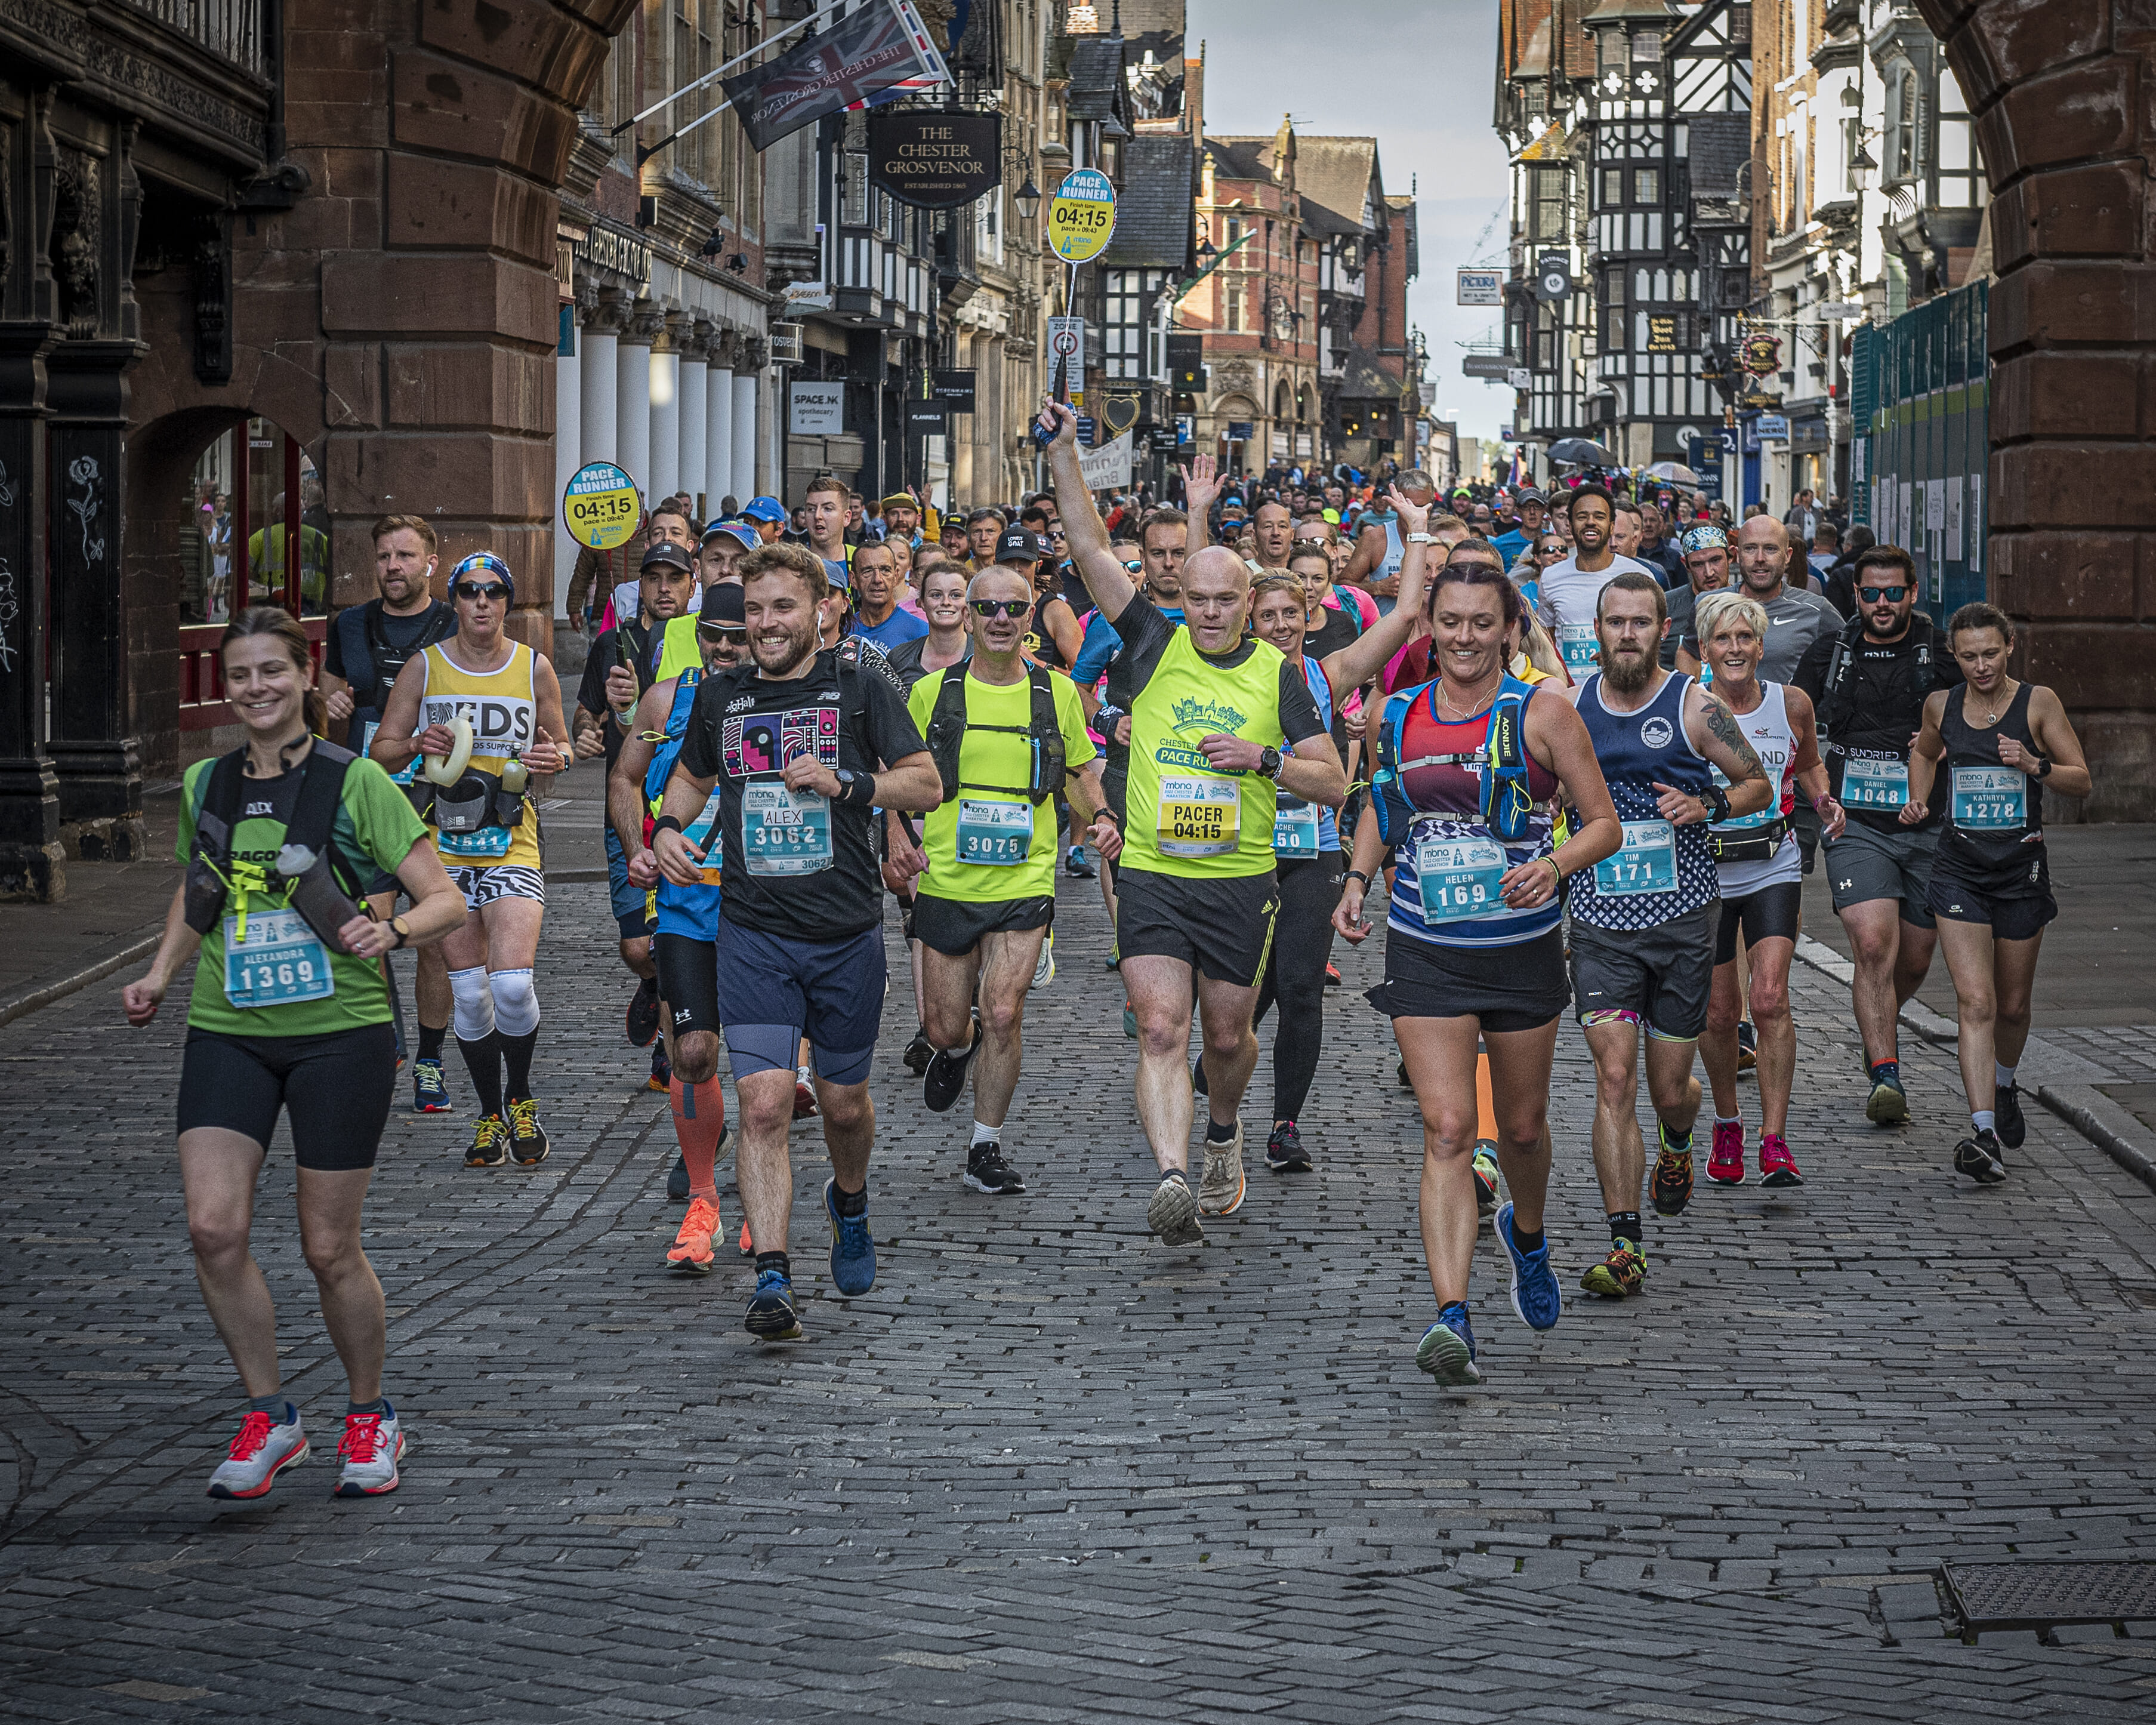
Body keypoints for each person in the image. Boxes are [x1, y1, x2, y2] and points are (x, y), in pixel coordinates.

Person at [122, 607, 466, 1498]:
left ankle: (369, 1414)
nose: (256, 689)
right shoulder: (207, 783)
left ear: (303, 676)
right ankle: (271, 1415)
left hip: (338, 1035)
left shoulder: (356, 784)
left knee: (327, 1246)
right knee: (213, 1227)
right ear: (225, 686)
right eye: (241, 675)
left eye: (272, 671)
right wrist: (160, 973)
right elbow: (200, 886)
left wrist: (386, 930)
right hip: (229, 1025)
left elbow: (446, 902)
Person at [1042, 399, 1346, 1243]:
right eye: (1197, 597)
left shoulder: (1278, 679)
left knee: (1227, 1033)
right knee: (1160, 1026)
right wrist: (1066, 450)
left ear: (1250, 603)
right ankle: (1173, 1173)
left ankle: (1222, 1131)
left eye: (1224, 599)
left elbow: (1333, 781)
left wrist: (1266, 761)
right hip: (1152, 873)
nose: (1208, 611)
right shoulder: (1148, 638)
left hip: (1239, 879)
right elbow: (1086, 546)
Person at [1333, 559, 1621, 1384]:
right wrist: (1356, 881)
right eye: (1449, 621)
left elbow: (1601, 825)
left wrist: (1555, 865)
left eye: (1480, 623)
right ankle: (1450, 1314)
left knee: (1522, 1129)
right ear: (1429, 624)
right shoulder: (1396, 714)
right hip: (1426, 941)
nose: (1463, 637)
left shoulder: (1544, 714)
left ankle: (1526, 1235)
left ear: (1509, 629)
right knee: (1451, 1127)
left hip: (1521, 946)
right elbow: (1382, 809)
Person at [650, 543, 941, 1338]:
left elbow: (926, 780)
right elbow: (691, 774)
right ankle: (772, 1274)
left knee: (844, 1105)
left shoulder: (858, 685)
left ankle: (849, 1200)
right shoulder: (723, 694)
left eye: (782, 608)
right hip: (753, 933)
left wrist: (849, 784)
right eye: (754, 609)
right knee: (766, 1103)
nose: (766, 624)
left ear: (822, 610)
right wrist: (671, 824)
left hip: (845, 933)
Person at [1566, 572, 1773, 1301]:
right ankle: (1625, 1245)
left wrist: (1707, 800)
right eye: (1614, 622)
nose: (1627, 634)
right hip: (1597, 923)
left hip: (1683, 923)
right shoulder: (1567, 708)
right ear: (1596, 629)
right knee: (1614, 1078)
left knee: (1667, 1089)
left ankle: (1679, 1141)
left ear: (1663, 631)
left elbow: (1757, 784)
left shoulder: (1693, 705)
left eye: (1640, 622)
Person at [900, 562, 1121, 1193]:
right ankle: (956, 1047)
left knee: (1002, 1010)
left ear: (1031, 620)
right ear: (967, 616)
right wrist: (895, 837)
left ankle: (984, 1148)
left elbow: (1079, 772)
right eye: (988, 607)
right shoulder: (932, 693)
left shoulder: (1053, 694)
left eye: (1014, 608)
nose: (1000, 618)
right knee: (947, 1026)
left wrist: (1101, 816)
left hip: (1025, 880)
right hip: (947, 880)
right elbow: (900, 774)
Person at [1239, 510, 1436, 1171]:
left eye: (1289, 614)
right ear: (1248, 622)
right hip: (1239, 849)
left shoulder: (1328, 676)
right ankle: (1218, 1074)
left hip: (1313, 847)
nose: (1280, 627)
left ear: (1307, 615)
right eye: (1265, 616)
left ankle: (1283, 1125)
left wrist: (1415, 528)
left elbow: (1407, 614)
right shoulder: (1224, 679)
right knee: (1248, 986)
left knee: (1298, 984)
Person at [371, 552, 570, 1168]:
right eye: (468, 590)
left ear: (508, 602)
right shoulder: (423, 668)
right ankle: (490, 1115)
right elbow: (378, 752)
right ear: (453, 600)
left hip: (513, 840)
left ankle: (522, 1096)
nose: (481, 601)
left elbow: (561, 744)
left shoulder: (533, 667)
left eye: (492, 591)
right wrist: (413, 744)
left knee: (511, 984)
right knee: (472, 994)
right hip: (443, 850)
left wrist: (554, 759)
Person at [1903, 602, 2091, 1183]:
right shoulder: (1943, 705)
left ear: (2008, 646)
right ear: (1953, 656)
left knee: (2011, 1005)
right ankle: (1983, 1131)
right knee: (1976, 1002)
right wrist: (1917, 796)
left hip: (2018, 873)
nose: (1980, 666)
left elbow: (2080, 780)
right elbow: (1924, 750)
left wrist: (2034, 765)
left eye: (1990, 653)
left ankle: (2004, 1084)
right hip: (1958, 870)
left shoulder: (2038, 703)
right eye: (1967, 656)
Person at [1791, 544, 1958, 1123]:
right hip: (1854, 821)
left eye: (1893, 593)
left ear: (1912, 594)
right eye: (1871, 593)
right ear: (1856, 596)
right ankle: (1885, 1073)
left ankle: (1876, 1026)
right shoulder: (1830, 653)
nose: (1882, 603)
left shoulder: (1941, 656)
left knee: (1913, 958)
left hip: (1927, 824)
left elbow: (1984, 716)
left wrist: (1943, 741)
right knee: (1870, 946)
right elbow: (1794, 720)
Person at [612, 582, 748, 1261]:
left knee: (760, 1066)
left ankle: (761, 1197)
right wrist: (640, 847)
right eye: (712, 636)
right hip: (686, 906)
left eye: (737, 636)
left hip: (763, 910)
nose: (724, 647)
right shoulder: (665, 700)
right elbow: (624, 777)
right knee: (693, 1055)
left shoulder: (783, 699)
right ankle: (703, 1201)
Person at [1691, 591, 1845, 1187]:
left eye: (1744, 638)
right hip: (1705, 870)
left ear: (1760, 646)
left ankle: (1774, 1139)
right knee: (1719, 1010)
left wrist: (1821, 798)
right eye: (1723, 639)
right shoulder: (1691, 708)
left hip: (1770, 863)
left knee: (1769, 999)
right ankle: (1727, 1122)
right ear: (1705, 648)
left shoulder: (1791, 703)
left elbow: (1806, 763)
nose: (1735, 649)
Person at [321, 515, 460, 1109]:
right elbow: (324, 707)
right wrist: (321, 699)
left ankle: (429, 1059)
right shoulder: (349, 626)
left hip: (436, 798)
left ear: (431, 562)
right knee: (364, 923)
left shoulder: (454, 624)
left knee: (434, 937)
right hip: (364, 799)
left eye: (405, 555)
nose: (393, 567)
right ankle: (387, 1039)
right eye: (383, 556)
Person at [572, 537, 701, 1091]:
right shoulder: (613, 643)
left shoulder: (706, 641)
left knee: (673, 941)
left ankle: (672, 1054)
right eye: (654, 579)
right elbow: (589, 714)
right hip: (625, 809)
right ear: (638, 586)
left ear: (691, 585)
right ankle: (652, 986)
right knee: (636, 947)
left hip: (686, 812)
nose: (664, 588)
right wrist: (592, 723)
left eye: (675, 578)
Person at [1535, 484, 1660, 679]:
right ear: (1570, 524)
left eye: (1599, 517)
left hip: (1625, 689)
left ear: (1611, 526)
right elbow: (1547, 643)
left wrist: (1618, 654)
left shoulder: (1639, 574)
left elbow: (1654, 638)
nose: (1590, 522)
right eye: (1582, 517)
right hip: (1569, 694)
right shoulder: (1551, 577)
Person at [1662, 525, 1732, 672]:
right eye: (1698, 564)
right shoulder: (1666, 606)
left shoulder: (1748, 604)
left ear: (1730, 557)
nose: (1709, 572)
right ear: (1685, 564)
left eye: (1715, 560)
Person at [847, 538, 929, 653]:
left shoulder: (920, 631)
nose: (877, 579)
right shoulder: (843, 631)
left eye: (885, 570)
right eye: (868, 571)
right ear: (853, 579)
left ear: (896, 576)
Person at [1488, 486, 1546, 568]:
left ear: (1544, 510)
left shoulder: (1554, 542)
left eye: (1537, 507)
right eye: (1526, 507)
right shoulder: (1501, 544)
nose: (1532, 512)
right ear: (1519, 511)